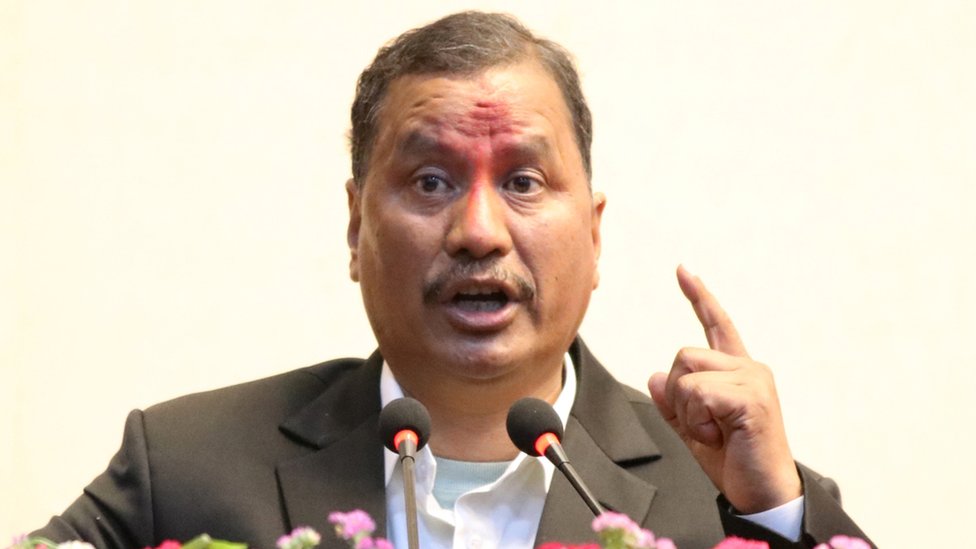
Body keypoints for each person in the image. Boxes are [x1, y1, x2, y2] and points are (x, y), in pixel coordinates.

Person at [30, 11, 873, 549]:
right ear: (356, 225)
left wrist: (774, 514)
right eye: (431, 181)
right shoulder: (187, 467)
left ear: (593, 233)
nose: (478, 231)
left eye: (523, 181)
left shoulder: (728, 492)